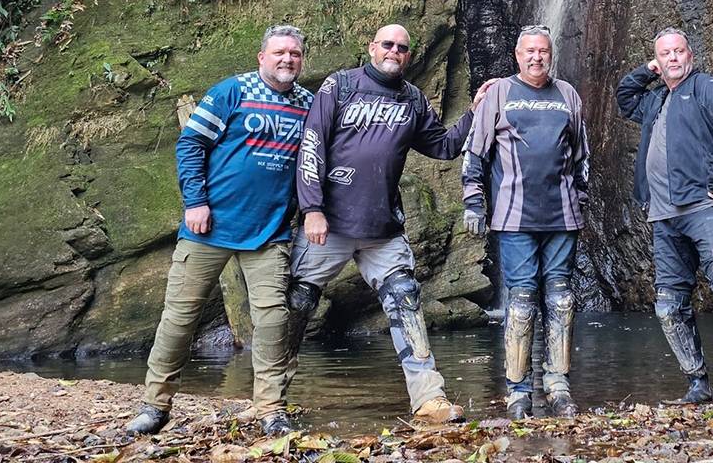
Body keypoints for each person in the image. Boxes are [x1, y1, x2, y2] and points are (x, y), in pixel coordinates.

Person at [126, 25, 314, 436]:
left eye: (295, 54)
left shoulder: (308, 105)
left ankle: (270, 409)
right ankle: (154, 406)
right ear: (262, 56)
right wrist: (195, 202)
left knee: (272, 321)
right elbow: (190, 143)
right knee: (179, 318)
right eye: (280, 52)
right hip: (208, 228)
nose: (287, 59)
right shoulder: (232, 91)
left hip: (270, 233)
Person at [288, 24, 475, 424]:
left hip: (382, 227)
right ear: (372, 47)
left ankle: (429, 398)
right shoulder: (339, 85)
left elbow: (442, 146)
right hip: (331, 222)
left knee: (405, 296)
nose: (394, 51)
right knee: (298, 302)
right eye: (387, 44)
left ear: (408, 56)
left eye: (402, 48)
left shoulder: (412, 100)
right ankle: (270, 394)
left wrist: (478, 111)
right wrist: (312, 208)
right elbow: (312, 143)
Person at [616, 28, 713, 414]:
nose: (673, 58)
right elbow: (624, 98)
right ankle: (697, 382)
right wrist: (648, 70)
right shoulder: (655, 99)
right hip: (662, 215)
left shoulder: (706, 87)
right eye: (665, 54)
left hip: (703, 207)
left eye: (678, 51)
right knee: (669, 304)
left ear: (690, 54)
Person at [462, 25, 590, 420]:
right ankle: (518, 390)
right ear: (518, 56)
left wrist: (580, 200)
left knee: (561, 298)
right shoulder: (500, 93)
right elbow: (475, 152)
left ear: (551, 54)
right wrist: (473, 203)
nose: (537, 57)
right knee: (520, 302)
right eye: (530, 51)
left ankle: (558, 384)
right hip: (514, 217)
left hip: (562, 217)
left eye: (544, 51)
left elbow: (582, 156)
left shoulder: (568, 94)